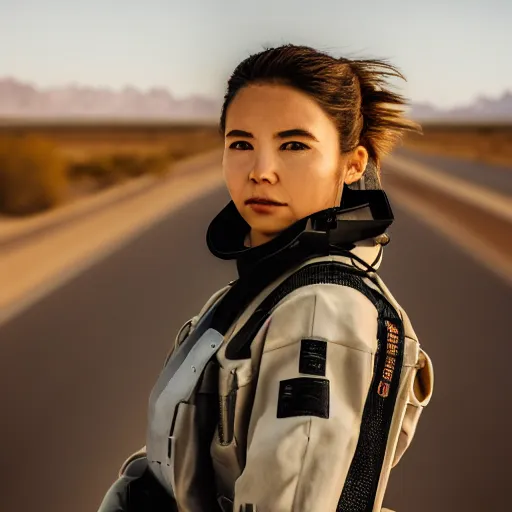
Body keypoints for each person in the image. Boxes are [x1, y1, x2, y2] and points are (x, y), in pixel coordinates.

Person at [98, 43, 434, 512]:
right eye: (241, 144)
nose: (261, 171)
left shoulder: (321, 310)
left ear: (353, 163)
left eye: (293, 145)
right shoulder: (265, 289)